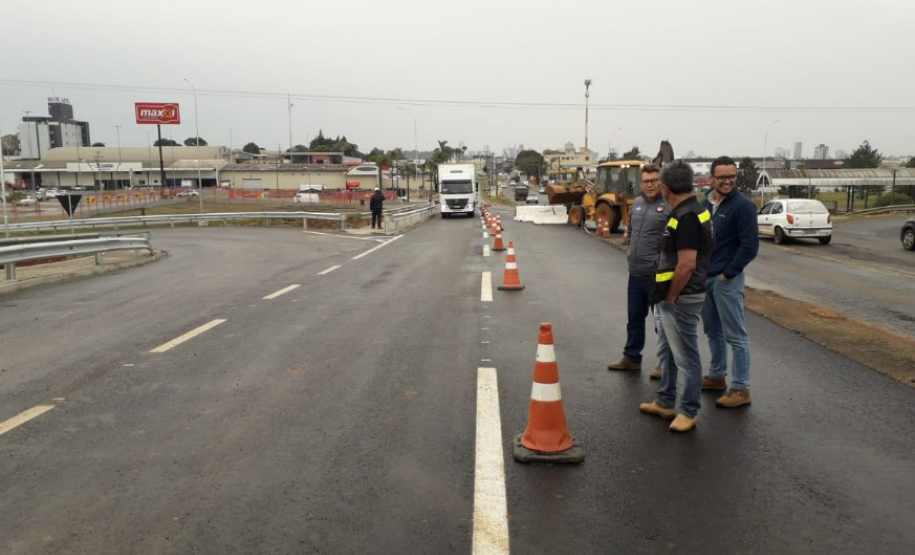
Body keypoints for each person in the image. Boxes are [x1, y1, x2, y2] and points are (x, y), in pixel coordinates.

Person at [639, 161, 715, 433]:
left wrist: (670, 296)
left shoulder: (687, 217)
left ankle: (688, 410)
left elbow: (687, 264)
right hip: (672, 296)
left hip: (681, 297)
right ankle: (665, 401)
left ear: (666, 187)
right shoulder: (692, 210)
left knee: (686, 355)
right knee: (668, 350)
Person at [700, 156, 760, 407]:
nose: (727, 181)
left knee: (736, 335)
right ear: (712, 178)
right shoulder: (705, 203)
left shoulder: (742, 207)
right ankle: (716, 375)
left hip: (727, 280)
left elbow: (750, 246)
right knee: (712, 330)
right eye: (722, 177)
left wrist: (729, 273)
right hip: (706, 278)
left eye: (731, 176)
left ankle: (741, 388)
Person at [608, 164, 670, 378]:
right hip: (635, 273)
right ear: (641, 183)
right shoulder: (639, 203)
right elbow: (632, 230)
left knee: (661, 323)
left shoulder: (669, 205)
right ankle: (632, 357)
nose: (650, 185)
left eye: (654, 181)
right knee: (634, 318)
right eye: (646, 181)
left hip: (657, 274)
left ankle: (665, 364)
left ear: (661, 182)